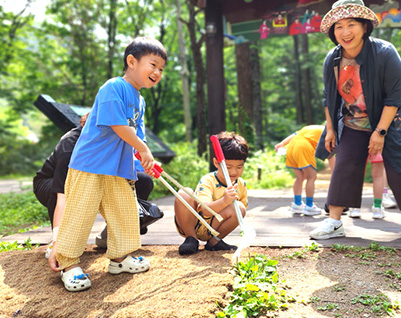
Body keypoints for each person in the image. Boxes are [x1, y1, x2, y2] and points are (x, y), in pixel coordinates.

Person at [309, 0, 401, 241]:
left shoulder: (385, 52)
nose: (345, 32)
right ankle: (334, 222)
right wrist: (330, 128)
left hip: (391, 121)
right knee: (345, 164)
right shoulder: (332, 59)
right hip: (353, 122)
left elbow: (394, 97)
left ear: (364, 26)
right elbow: (329, 96)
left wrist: (380, 132)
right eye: (338, 26)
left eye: (351, 24)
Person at [48, 37, 167, 292]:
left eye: (161, 69)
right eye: (153, 64)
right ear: (132, 61)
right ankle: (69, 264)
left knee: (124, 213)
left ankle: (120, 258)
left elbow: (138, 137)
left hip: (118, 169)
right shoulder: (113, 87)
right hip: (90, 165)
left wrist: (146, 158)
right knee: (79, 214)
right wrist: (143, 148)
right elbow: (118, 125)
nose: (157, 72)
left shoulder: (140, 101)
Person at [33, 114, 156, 258]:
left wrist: (146, 165)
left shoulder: (109, 140)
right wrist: (57, 239)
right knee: (68, 190)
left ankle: (111, 234)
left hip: (96, 179)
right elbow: (62, 197)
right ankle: (59, 242)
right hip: (52, 183)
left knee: (143, 181)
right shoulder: (70, 147)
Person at [175, 131, 249, 255]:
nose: (234, 172)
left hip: (215, 227)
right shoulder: (208, 180)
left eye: (239, 167)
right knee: (184, 193)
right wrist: (225, 200)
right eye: (229, 167)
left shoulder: (240, 184)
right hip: (195, 223)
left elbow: (239, 215)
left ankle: (214, 242)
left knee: (239, 208)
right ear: (216, 163)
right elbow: (205, 210)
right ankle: (191, 239)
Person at [275, 125, 330, 216]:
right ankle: (309, 206)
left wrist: (282, 143)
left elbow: (295, 134)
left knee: (300, 177)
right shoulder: (329, 132)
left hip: (292, 146)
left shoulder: (310, 127)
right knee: (311, 177)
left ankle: (297, 204)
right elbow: (330, 157)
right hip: (303, 146)